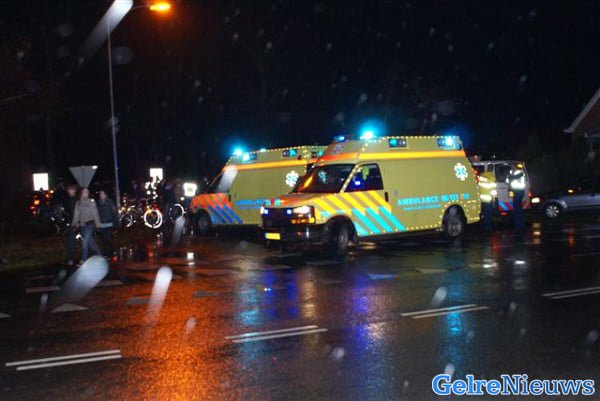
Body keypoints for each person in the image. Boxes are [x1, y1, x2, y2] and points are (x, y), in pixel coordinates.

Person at [72, 187, 102, 262]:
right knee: (91, 243)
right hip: (82, 225)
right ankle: (100, 255)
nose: (86, 193)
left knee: (84, 242)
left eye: (87, 192)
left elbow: (95, 213)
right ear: (81, 193)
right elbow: (76, 214)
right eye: (85, 191)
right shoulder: (78, 202)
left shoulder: (91, 202)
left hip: (90, 224)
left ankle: (84, 259)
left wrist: (98, 224)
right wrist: (74, 223)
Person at [97, 189, 119, 257]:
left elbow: (114, 213)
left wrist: (116, 223)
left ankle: (109, 253)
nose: (101, 195)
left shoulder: (109, 202)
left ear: (106, 195)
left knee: (108, 239)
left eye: (103, 193)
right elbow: (97, 213)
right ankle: (106, 253)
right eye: (100, 193)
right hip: (102, 224)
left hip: (109, 223)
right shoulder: (98, 203)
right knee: (104, 240)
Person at [63, 185, 79, 265]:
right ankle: (70, 257)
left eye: (71, 189)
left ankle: (71, 258)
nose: (69, 191)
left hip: (75, 223)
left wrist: (76, 222)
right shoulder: (68, 199)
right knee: (69, 241)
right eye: (69, 189)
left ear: (74, 190)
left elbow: (76, 212)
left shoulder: (76, 200)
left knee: (71, 241)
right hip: (70, 222)